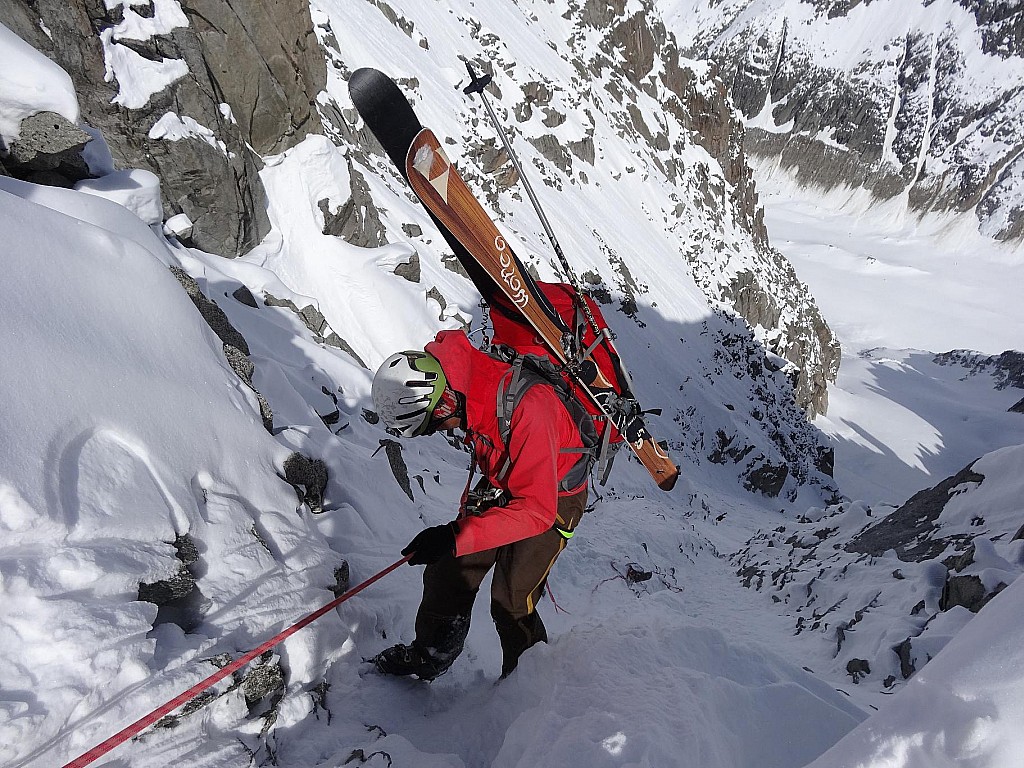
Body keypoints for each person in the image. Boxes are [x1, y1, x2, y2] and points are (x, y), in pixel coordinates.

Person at [370, 329, 592, 680]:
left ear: (445, 403)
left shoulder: (530, 409)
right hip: (506, 479)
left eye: (435, 426)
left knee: (511, 600)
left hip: (553, 496)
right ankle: (430, 656)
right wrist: (452, 540)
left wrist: (454, 535)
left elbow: (536, 511)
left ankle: (526, 686)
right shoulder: (466, 386)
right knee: (448, 570)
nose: (441, 432)